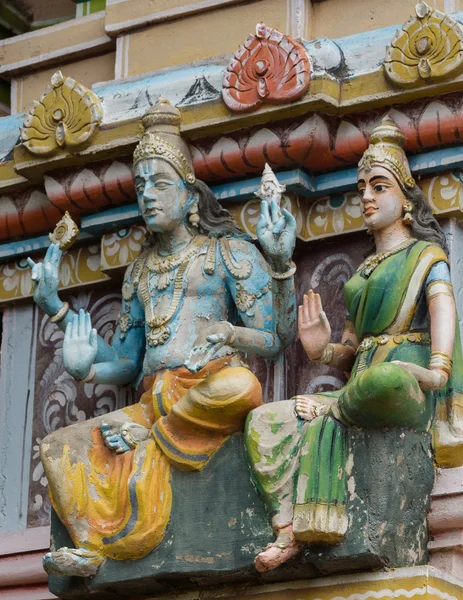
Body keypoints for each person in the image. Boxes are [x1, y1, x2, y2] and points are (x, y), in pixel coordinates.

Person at [27, 98, 297, 577]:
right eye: (140, 185)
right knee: (57, 448)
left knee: (243, 387)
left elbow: (274, 338)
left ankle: (148, 439)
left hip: (206, 390)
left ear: (191, 196)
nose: (147, 195)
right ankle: (88, 548)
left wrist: (278, 266)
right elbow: (128, 362)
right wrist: (67, 328)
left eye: (160, 183)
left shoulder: (228, 253)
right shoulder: (139, 273)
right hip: (152, 400)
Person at [245, 118, 463, 573]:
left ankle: (334, 408)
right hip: (361, 386)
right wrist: (323, 350)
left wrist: (437, 371)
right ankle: (288, 527)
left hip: (405, 382)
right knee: (263, 419)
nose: (366, 196)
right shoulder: (363, 272)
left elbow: (444, 310)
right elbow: (351, 348)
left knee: (385, 378)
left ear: (406, 200)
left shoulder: (426, 257)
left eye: (379, 187)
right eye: (362, 187)